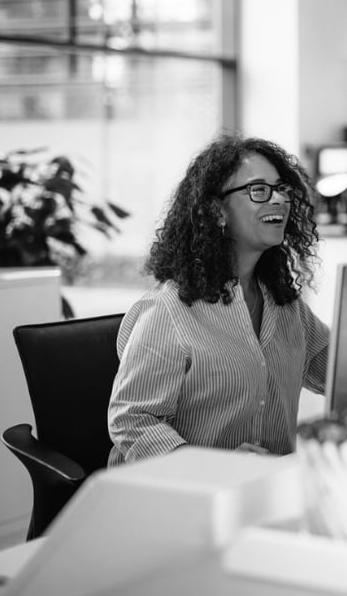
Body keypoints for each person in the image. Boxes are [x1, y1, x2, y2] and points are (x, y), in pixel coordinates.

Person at [107, 133, 330, 466]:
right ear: (216, 211)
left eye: (282, 188)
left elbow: (344, 373)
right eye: (259, 190)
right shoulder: (169, 310)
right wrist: (212, 467)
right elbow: (133, 419)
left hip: (267, 490)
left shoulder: (286, 306)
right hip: (186, 498)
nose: (280, 200)